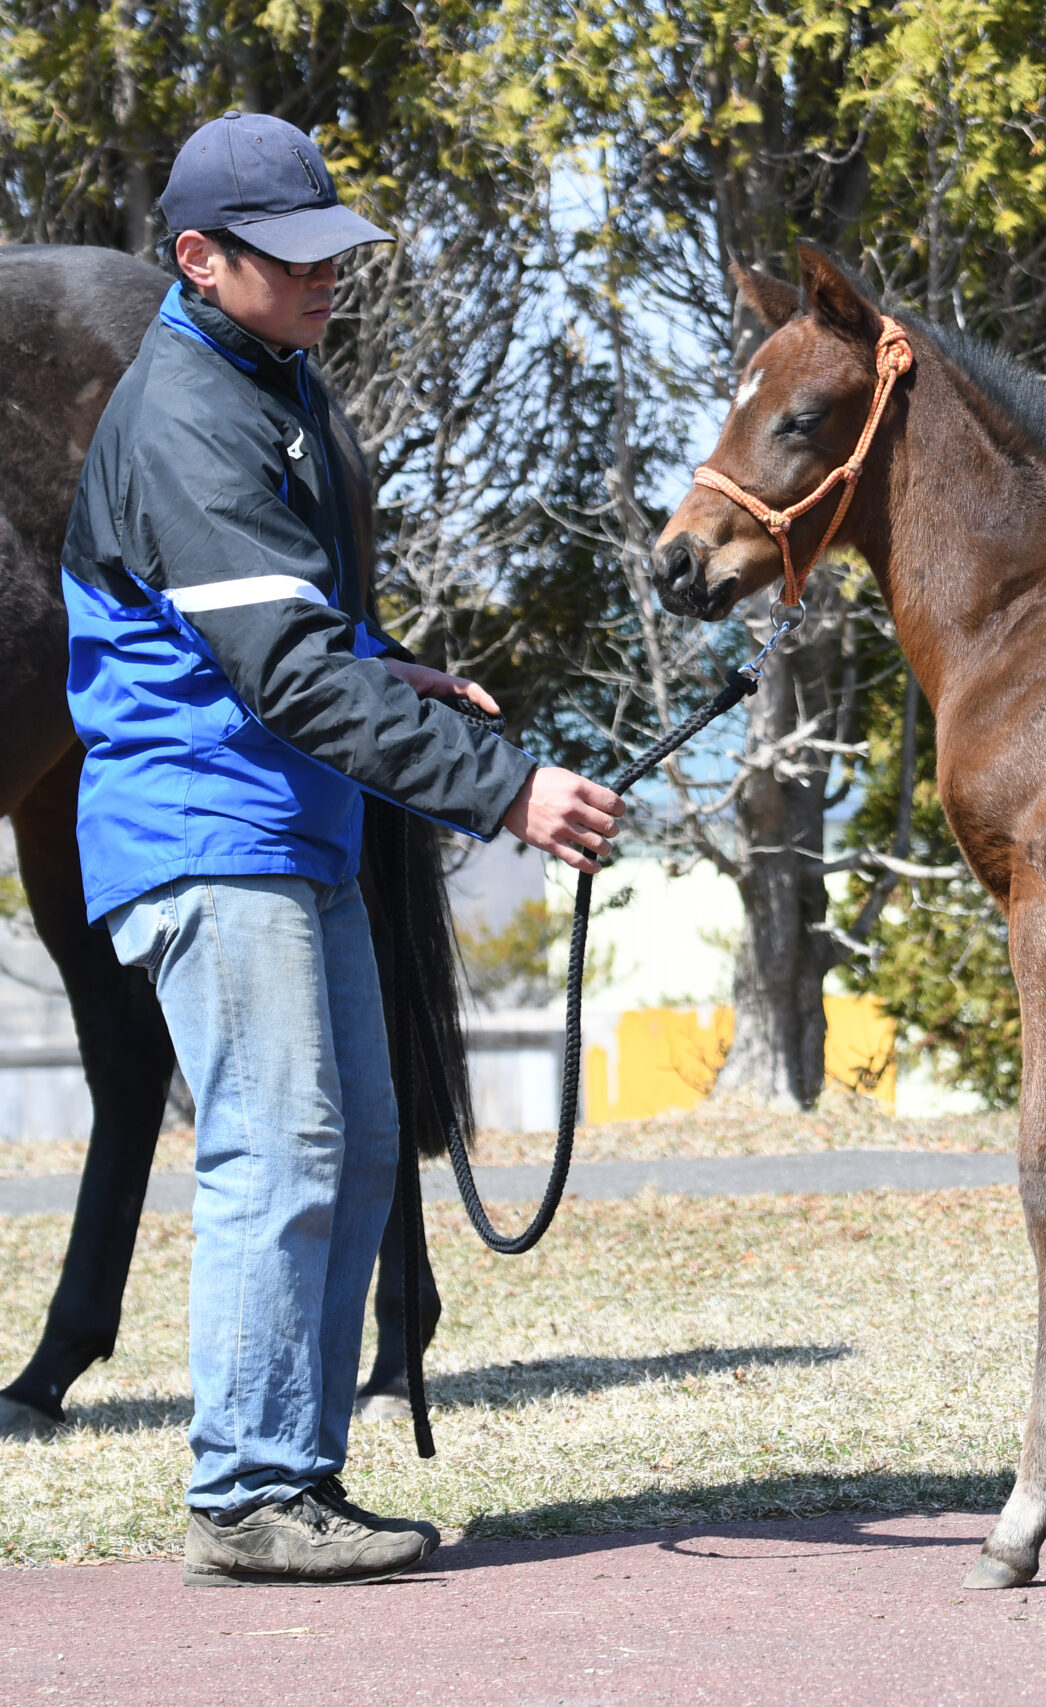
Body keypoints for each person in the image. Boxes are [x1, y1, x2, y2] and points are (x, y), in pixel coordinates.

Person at [59, 112, 624, 1587]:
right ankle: (243, 1492)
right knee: (283, 1143)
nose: (328, 280)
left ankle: (293, 1478)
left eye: (331, 251)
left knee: (362, 1139)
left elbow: (302, 627)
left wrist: (396, 668)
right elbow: (286, 676)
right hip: (207, 830)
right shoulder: (187, 412)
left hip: (285, 825)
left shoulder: (271, 374)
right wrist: (504, 793)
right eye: (292, 258)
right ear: (199, 258)